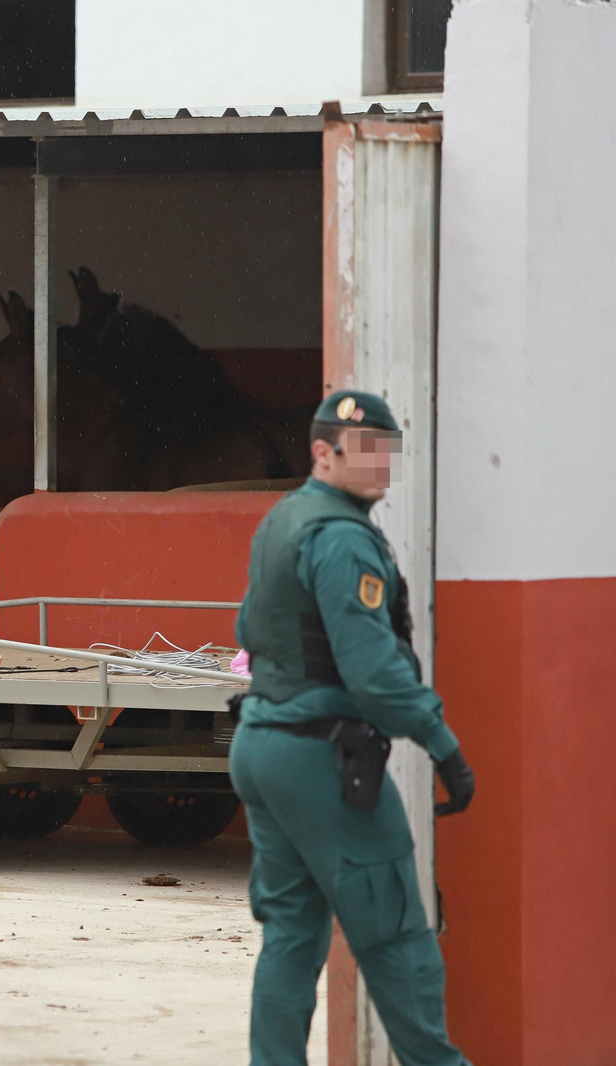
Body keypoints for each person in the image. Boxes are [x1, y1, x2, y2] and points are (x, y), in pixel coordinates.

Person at [230, 390, 475, 1066]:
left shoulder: (283, 520)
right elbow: (373, 672)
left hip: (263, 745)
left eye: (387, 452)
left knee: (290, 936)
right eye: (364, 451)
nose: (379, 466)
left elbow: (247, 630)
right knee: (395, 933)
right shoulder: (342, 539)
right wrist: (442, 743)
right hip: (321, 758)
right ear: (322, 452)